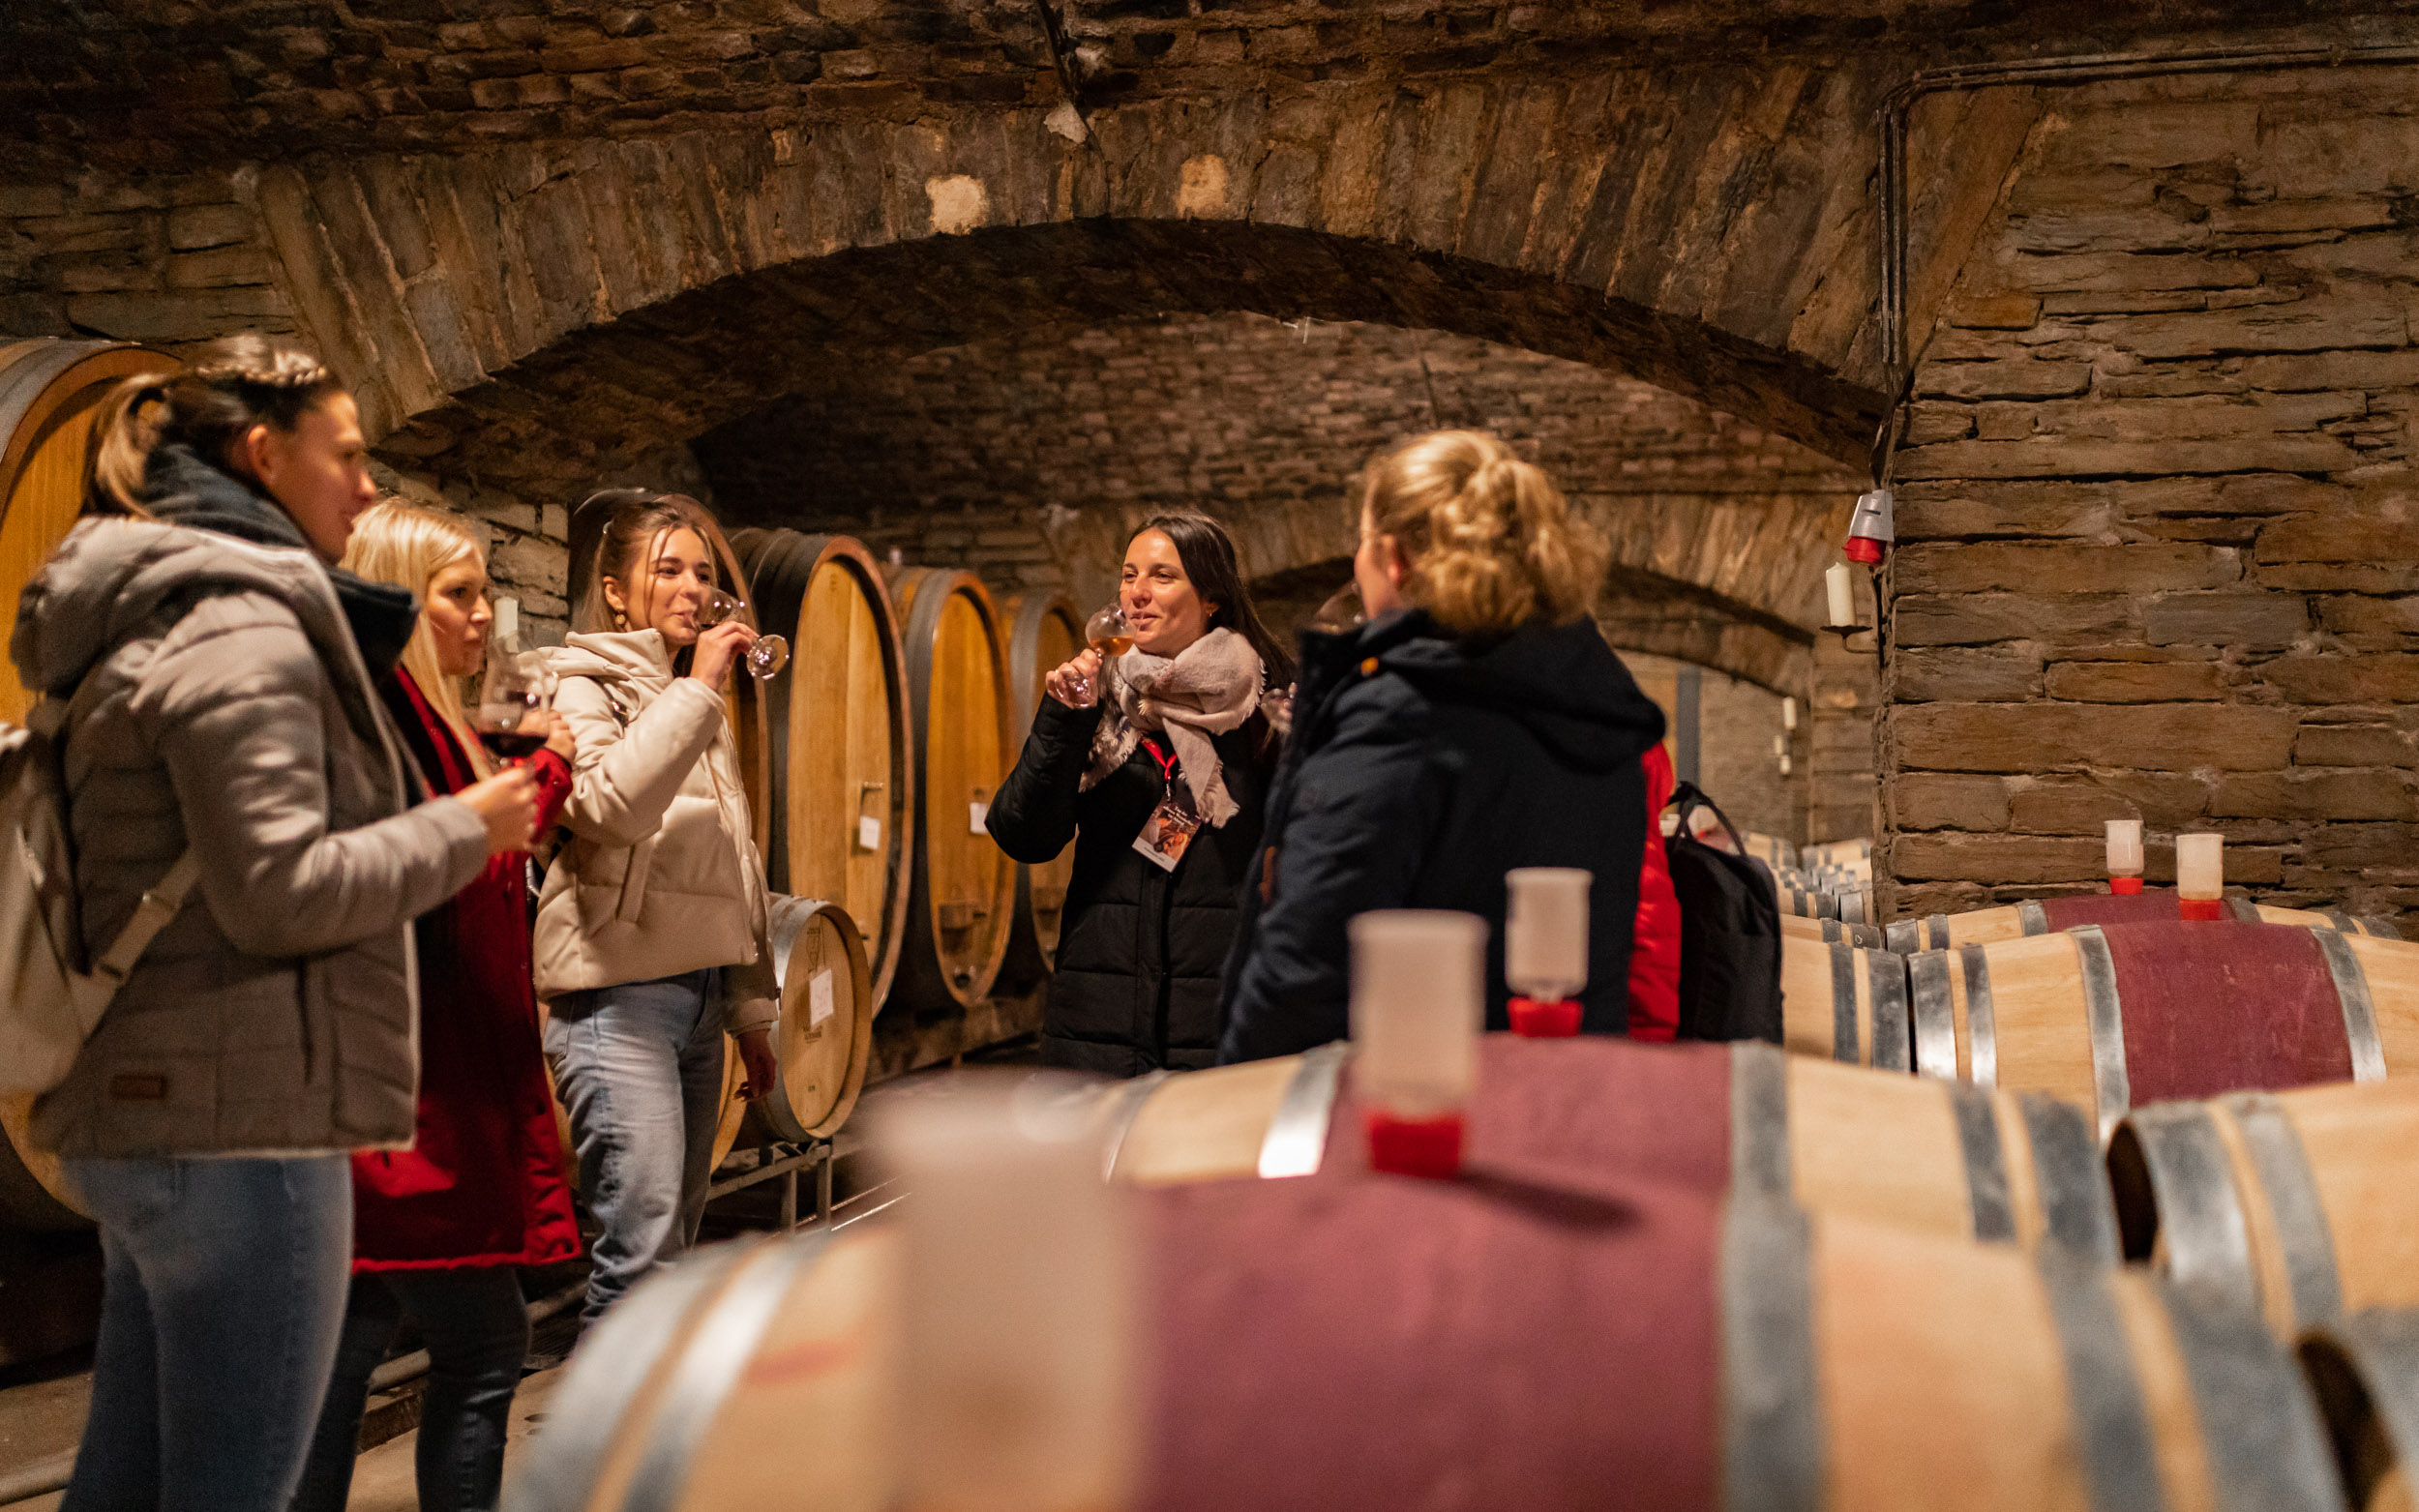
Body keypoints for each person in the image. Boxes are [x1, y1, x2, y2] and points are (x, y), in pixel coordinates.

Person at [9, 336, 537, 1511]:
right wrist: (468, 828)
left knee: (130, 1480)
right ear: (262, 454)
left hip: (161, 1105)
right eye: (343, 454)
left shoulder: (154, 607)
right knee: (235, 1486)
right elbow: (280, 889)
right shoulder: (245, 627)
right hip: (243, 1122)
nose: (364, 483)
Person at [289, 503, 584, 1512]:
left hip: (422, 1094)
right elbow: (440, 879)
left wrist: (530, 775)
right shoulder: (392, 729)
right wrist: (545, 769)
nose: (484, 614)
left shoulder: (433, 724)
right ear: (403, 601)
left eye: (486, 590)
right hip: (414, 1102)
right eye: (459, 593)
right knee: (483, 1344)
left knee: (347, 1357)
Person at [1220, 430, 1667, 1063]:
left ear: (1394, 558)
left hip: (1408, 1098)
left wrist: (1243, 1091)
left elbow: (1304, 973)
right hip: (1561, 1087)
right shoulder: (1594, 704)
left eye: (1363, 540)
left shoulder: (1399, 716)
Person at [534, 489, 779, 1323]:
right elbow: (607, 809)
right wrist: (699, 687)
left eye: (703, 574)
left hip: (698, 995)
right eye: (668, 569)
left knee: (673, 1248)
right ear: (613, 590)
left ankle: (647, 1405)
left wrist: (750, 1009)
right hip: (616, 996)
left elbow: (734, 860)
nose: (693, 589)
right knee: (638, 1259)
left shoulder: (691, 699)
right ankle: (604, 1412)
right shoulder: (576, 683)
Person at [986, 514, 1292, 1077]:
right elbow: (1024, 835)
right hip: (1098, 1023)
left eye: (1162, 576)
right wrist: (1063, 720)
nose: (1137, 593)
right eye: (1129, 576)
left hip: (1216, 1023)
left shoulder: (1264, 708)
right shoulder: (1097, 699)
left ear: (1213, 597)